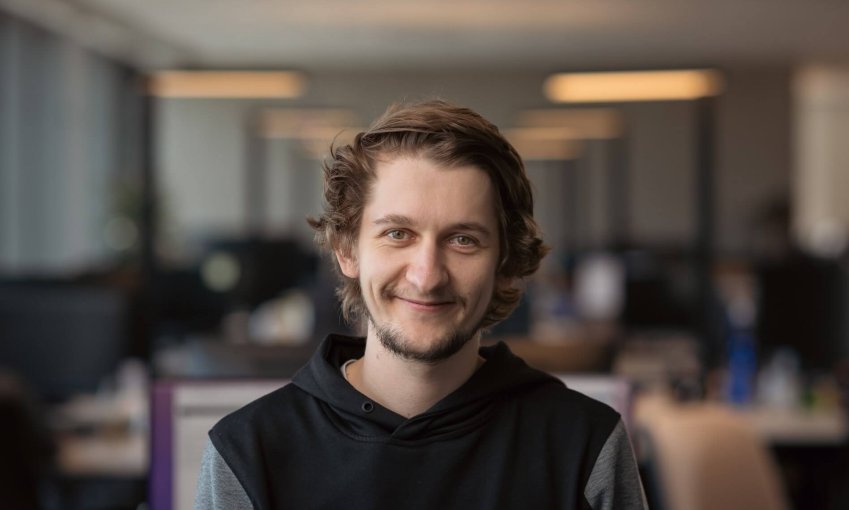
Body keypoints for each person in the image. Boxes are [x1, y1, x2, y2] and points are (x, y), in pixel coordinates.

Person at [195, 100, 648, 509]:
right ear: (347, 251)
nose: (427, 275)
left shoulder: (585, 445)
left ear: (507, 264)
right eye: (398, 234)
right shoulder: (248, 452)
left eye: (463, 240)